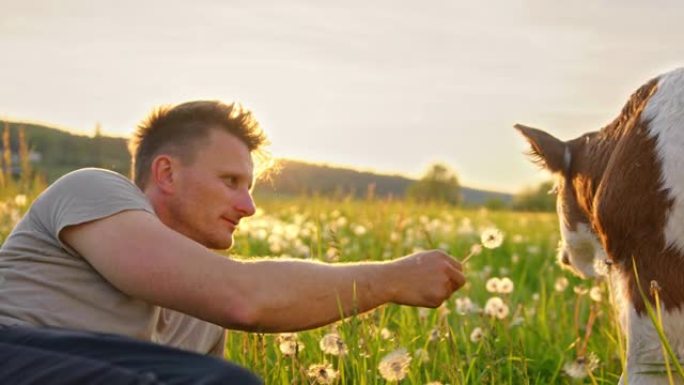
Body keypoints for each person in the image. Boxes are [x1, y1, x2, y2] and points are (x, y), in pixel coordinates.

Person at [0, 101, 466, 384]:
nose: (248, 206)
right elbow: (243, 299)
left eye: (251, 187)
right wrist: (390, 278)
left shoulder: (198, 318)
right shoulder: (92, 189)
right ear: (166, 172)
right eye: (230, 180)